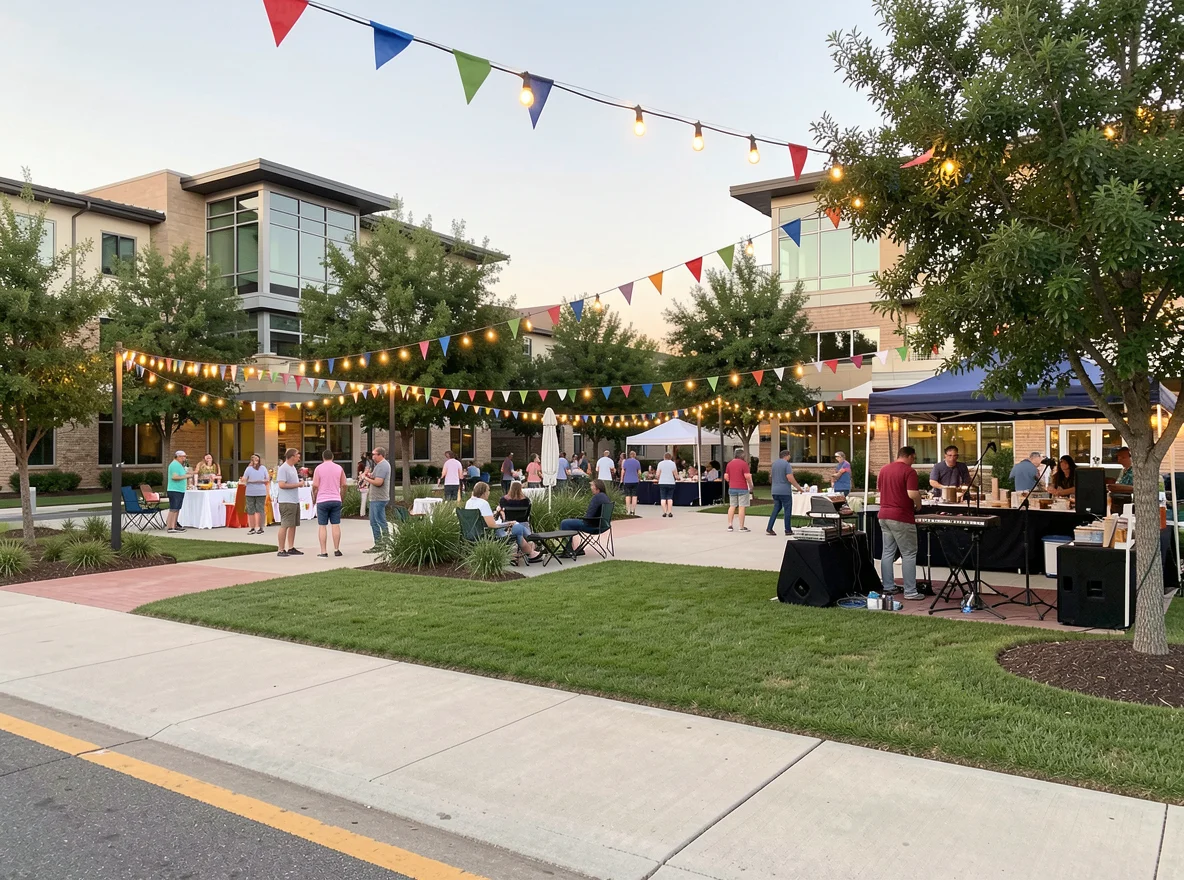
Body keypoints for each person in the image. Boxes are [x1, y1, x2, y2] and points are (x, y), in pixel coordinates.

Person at [879, 446, 924, 600]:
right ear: (910, 456)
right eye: (914, 458)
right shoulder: (909, 471)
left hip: (883, 515)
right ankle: (910, 591)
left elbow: (880, 489)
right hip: (901, 516)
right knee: (909, 553)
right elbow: (912, 493)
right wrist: (918, 503)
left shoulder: (884, 469)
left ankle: (888, 586)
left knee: (887, 552)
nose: (914, 462)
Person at [466, 481, 541, 564]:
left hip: (474, 533)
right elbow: (492, 525)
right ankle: (531, 549)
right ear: (483, 492)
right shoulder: (484, 503)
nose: (489, 493)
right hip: (489, 533)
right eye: (488, 490)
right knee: (517, 527)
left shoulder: (469, 502)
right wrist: (507, 524)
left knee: (517, 528)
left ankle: (517, 554)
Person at [559, 479, 612, 555]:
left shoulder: (596, 498)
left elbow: (589, 516)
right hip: (603, 525)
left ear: (597, 487)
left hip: (592, 526)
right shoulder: (605, 497)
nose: (591, 487)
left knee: (565, 523)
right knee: (571, 522)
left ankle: (568, 549)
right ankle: (577, 549)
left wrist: (580, 518)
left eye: (592, 485)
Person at [311, 448, 347, 558]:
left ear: (323, 457)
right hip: (335, 499)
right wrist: (341, 497)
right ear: (332, 457)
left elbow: (315, 486)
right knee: (335, 525)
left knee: (322, 526)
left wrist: (314, 498)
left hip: (322, 500)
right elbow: (344, 485)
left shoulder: (318, 468)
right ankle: (336, 549)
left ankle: (323, 551)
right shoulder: (339, 468)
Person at [767, 449, 804, 536]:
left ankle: (769, 527)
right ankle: (788, 530)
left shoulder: (774, 464)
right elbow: (790, 477)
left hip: (775, 490)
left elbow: (770, 477)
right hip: (784, 491)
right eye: (789, 455)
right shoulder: (786, 464)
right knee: (787, 510)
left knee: (776, 508)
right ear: (787, 456)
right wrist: (798, 488)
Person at [361, 445, 391, 552]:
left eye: (374, 454)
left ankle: (381, 544)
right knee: (376, 521)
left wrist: (366, 479)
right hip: (375, 498)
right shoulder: (379, 465)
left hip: (379, 498)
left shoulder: (383, 465)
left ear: (380, 455)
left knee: (377, 521)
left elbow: (379, 482)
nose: (372, 456)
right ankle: (383, 544)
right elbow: (374, 476)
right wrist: (368, 474)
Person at [275, 447, 304, 557]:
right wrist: (298, 485)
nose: (299, 457)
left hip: (294, 500)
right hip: (286, 501)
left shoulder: (292, 468)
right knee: (285, 524)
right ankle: (281, 549)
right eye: (297, 455)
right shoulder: (284, 468)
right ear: (292, 457)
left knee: (293, 525)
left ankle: (291, 547)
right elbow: (281, 485)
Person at [724, 449, 754, 532]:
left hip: (732, 487)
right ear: (742, 455)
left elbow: (726, 477)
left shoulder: (729, 464)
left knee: (732, 506)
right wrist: (751, 485)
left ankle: (730, 525)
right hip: (742, 487)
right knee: (741, 507)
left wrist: (731, 481)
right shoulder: (744, 464)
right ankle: (741, 526)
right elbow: (747, 476)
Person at [242, 453, 270, 535]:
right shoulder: (248, 469)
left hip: (260, 491)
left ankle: (261, 527)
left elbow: (267, 478)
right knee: (250, 510)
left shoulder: (263, 468)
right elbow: (244, 479)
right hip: (250, 492)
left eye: (257, 459)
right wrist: (249, 481)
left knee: (260, 509)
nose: (256, 461)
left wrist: (260, 481)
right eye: (254, 459)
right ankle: (252, 528)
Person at [166, 450, 189, 533]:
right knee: (174, 508)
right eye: (184, 457)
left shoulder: (179, 465)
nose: (185, 458)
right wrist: (186, 476)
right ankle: (171, 527)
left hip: (179, 490)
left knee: (177, 508)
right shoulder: (174, 464)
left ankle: (174, 525)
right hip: (175, 489)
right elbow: (174, 477)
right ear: (178, 456)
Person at [656, 452, 678, 518]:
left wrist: (658, 478)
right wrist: (678, 478)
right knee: (670, 498)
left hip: (662, 482)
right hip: (671, 482)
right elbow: (675, 474)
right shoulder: (673, 464)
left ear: (664, 457)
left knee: (663, 498)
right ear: (670, 457)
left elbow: (657, 474)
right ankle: (670, 512)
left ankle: (664, 512)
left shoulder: (660, 463)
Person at [620, 450, 642, 514]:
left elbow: (623, 471)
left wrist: (622, 479)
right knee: (634, 495)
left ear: (629, 455)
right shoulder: (637, 462)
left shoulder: (626, 462)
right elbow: (639, 472)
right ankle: (633, 510)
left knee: (627, 495)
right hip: (635, 480)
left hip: (627, 480)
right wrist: (639, 478)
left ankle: (627, 510)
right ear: (635, 455)